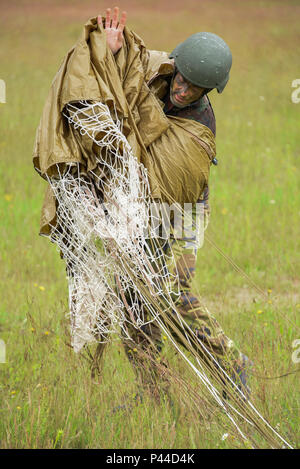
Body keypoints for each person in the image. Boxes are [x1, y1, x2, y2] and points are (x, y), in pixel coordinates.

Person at [89, 7, 252, 399]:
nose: (182, 90)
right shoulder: (159, 73)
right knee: (131, 298)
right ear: (176, 67)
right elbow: (123, 78)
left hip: (182, 213)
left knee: (172, 291)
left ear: (206, 91)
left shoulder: (200, 127)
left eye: (194, 88)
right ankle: (152, 393)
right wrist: (112, 50)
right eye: (182, 79)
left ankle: (231, 362)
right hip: (140, 207)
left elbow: (169, 185)